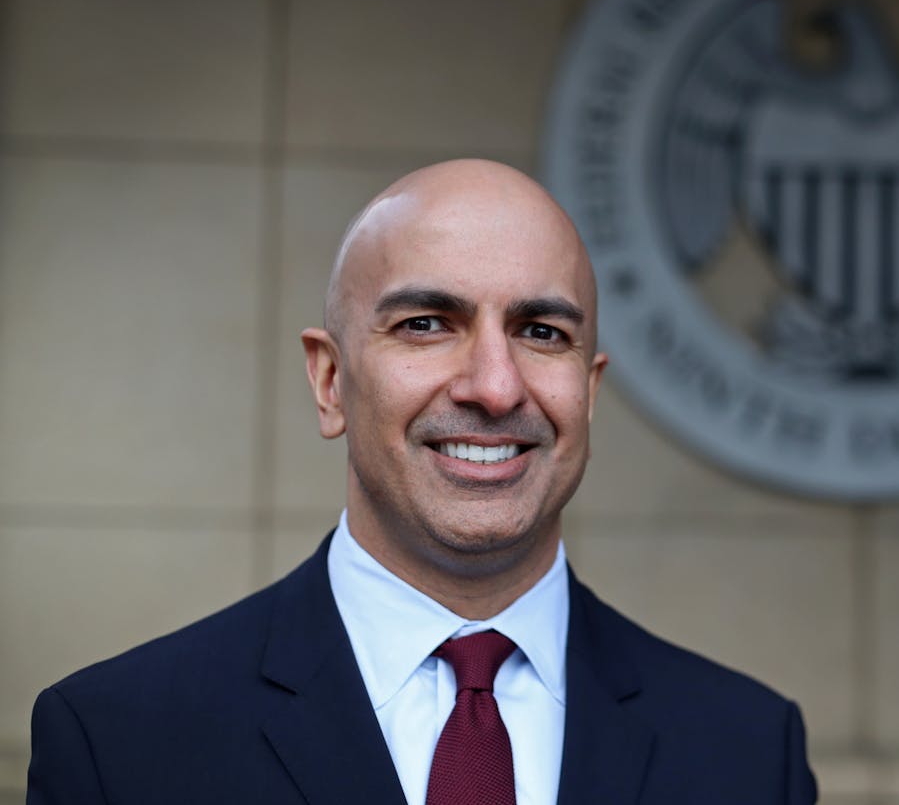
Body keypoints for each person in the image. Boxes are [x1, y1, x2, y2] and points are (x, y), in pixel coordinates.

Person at [26, 160, 817, 805]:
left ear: (590, 390)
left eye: (542, 332)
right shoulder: (118, 743)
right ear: (332, 381)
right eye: (427, 324)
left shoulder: (749, 752)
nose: (496, 387)